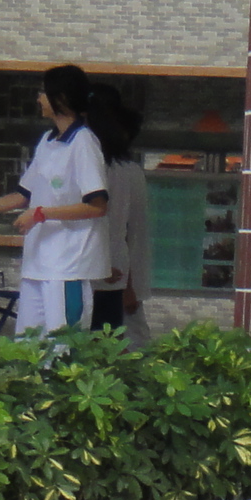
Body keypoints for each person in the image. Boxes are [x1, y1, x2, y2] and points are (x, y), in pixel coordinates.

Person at [0, 64, 110, 334]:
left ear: (60, 98)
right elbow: (22, 196)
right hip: (37, 265)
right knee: (29, 346)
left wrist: (41, 214)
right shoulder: (47, 141)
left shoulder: (84, 142)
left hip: (68, 267)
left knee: (63, 346)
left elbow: (97, 205)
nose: (39, 98)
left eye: (43, 92)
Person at [85, 83, 149, 337]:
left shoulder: (107, 168)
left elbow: (128, 230)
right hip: (110, 272)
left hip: (105, 273)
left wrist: (128, 285)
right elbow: (132, 232)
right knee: (111, 343)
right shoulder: (125, 169)